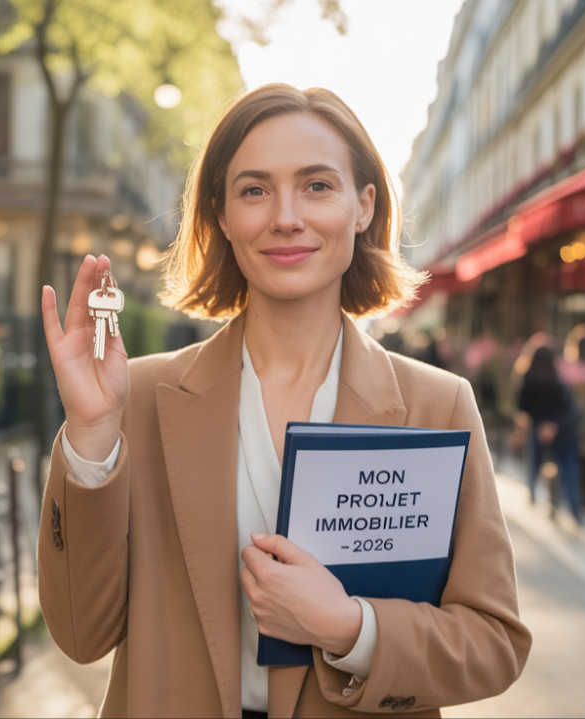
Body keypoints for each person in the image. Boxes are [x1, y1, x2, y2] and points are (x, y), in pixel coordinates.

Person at [36, 84, 530, 718]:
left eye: (317, 186)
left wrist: (351, 628)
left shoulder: (438, 405)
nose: (285, 217)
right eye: (254, 190)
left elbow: (493, 643)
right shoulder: (143, 398)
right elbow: (81, 635)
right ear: (221, 214)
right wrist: (92, 436)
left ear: (363, 206)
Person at [514, 346, 583, 524]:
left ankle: (535, 496)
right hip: (562, 434)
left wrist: (543, 426)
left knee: (535, 465)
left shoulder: (528, 381)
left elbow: (522, 407)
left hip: (541, 431)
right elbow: (573, 412)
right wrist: (553, 426)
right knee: (568, 472)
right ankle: (574, 512)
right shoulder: (558, 384)